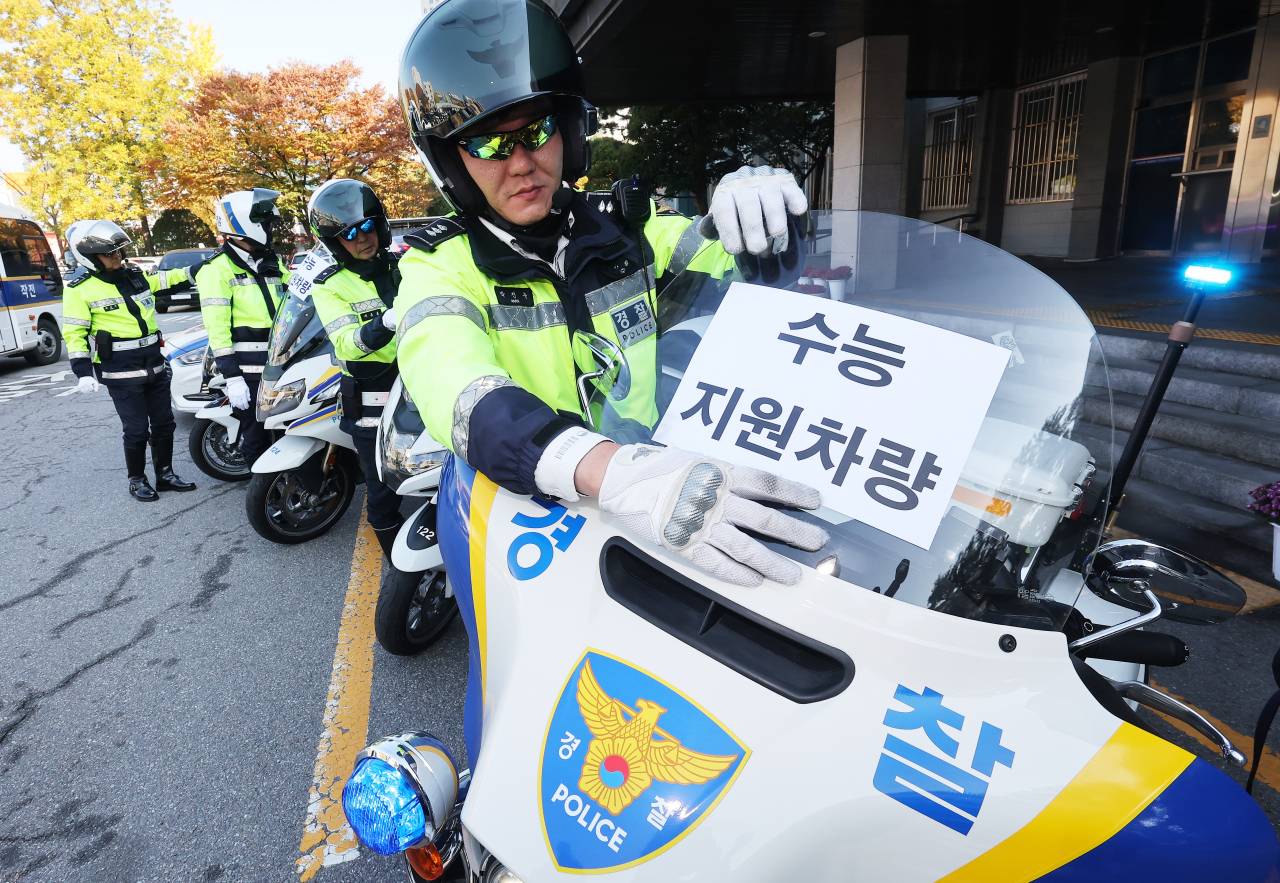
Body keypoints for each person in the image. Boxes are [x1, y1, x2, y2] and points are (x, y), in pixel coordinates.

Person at [392, 0, 826, 768]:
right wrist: (607, 468)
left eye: (537, 129)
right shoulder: (438, 267)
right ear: (450, 159)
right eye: (488, 140)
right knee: (512, 712)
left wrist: (755, 206)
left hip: (664, 505)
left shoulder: (620, 233)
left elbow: (730, 261)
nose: (520, 159)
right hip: (523, 519)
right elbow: (455, 388)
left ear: (571, 126)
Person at [297, 179, 403, 556]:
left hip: (421, 391)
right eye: (349, 234)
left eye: (367, 226)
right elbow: (346, 344)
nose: (362, 238)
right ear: (334, 242)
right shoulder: (330, 286)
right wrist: (388, 321)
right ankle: (400, 571)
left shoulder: (405, 265)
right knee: (381, 490)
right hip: (372, 403)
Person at [62, 219, 198, 501]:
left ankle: (165, 475)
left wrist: (196, 269)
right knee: (136, 430)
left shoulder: (133, 276)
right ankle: (137, 480)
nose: (117, 256)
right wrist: (82, 372)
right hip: (120, 370)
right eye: (109, 252)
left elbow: (165, 279)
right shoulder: (80, 289)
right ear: (88, 257)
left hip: (154, 363)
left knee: (164, 424)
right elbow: (75, 333)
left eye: (118, 251)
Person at [197, 189, 290, 472]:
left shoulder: (269, 261)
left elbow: (296, 301)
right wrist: (232, 377)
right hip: (248, 372)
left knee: (285, 430)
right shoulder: (216, 270)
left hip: (281, 363)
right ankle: (263, 491)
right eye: (266, 223)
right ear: (243, 225)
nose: (271, 229)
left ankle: (285, 483)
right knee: (256, 434)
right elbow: (218, 330)